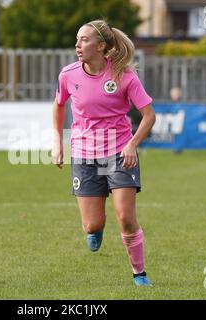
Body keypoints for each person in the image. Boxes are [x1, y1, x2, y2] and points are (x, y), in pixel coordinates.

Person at [52, 20, 156, 286]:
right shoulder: (68, 75)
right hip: (84, 155)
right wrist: (57, 140)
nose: (78, 44)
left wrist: (132, 144)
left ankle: (139, 274)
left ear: (100, 46)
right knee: (92, 225)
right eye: (77, 39)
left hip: (120, 153)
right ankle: (96, 228)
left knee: (126, 216)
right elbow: (58, 105)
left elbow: (148, 116)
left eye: (84, 40)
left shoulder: (124, 75)